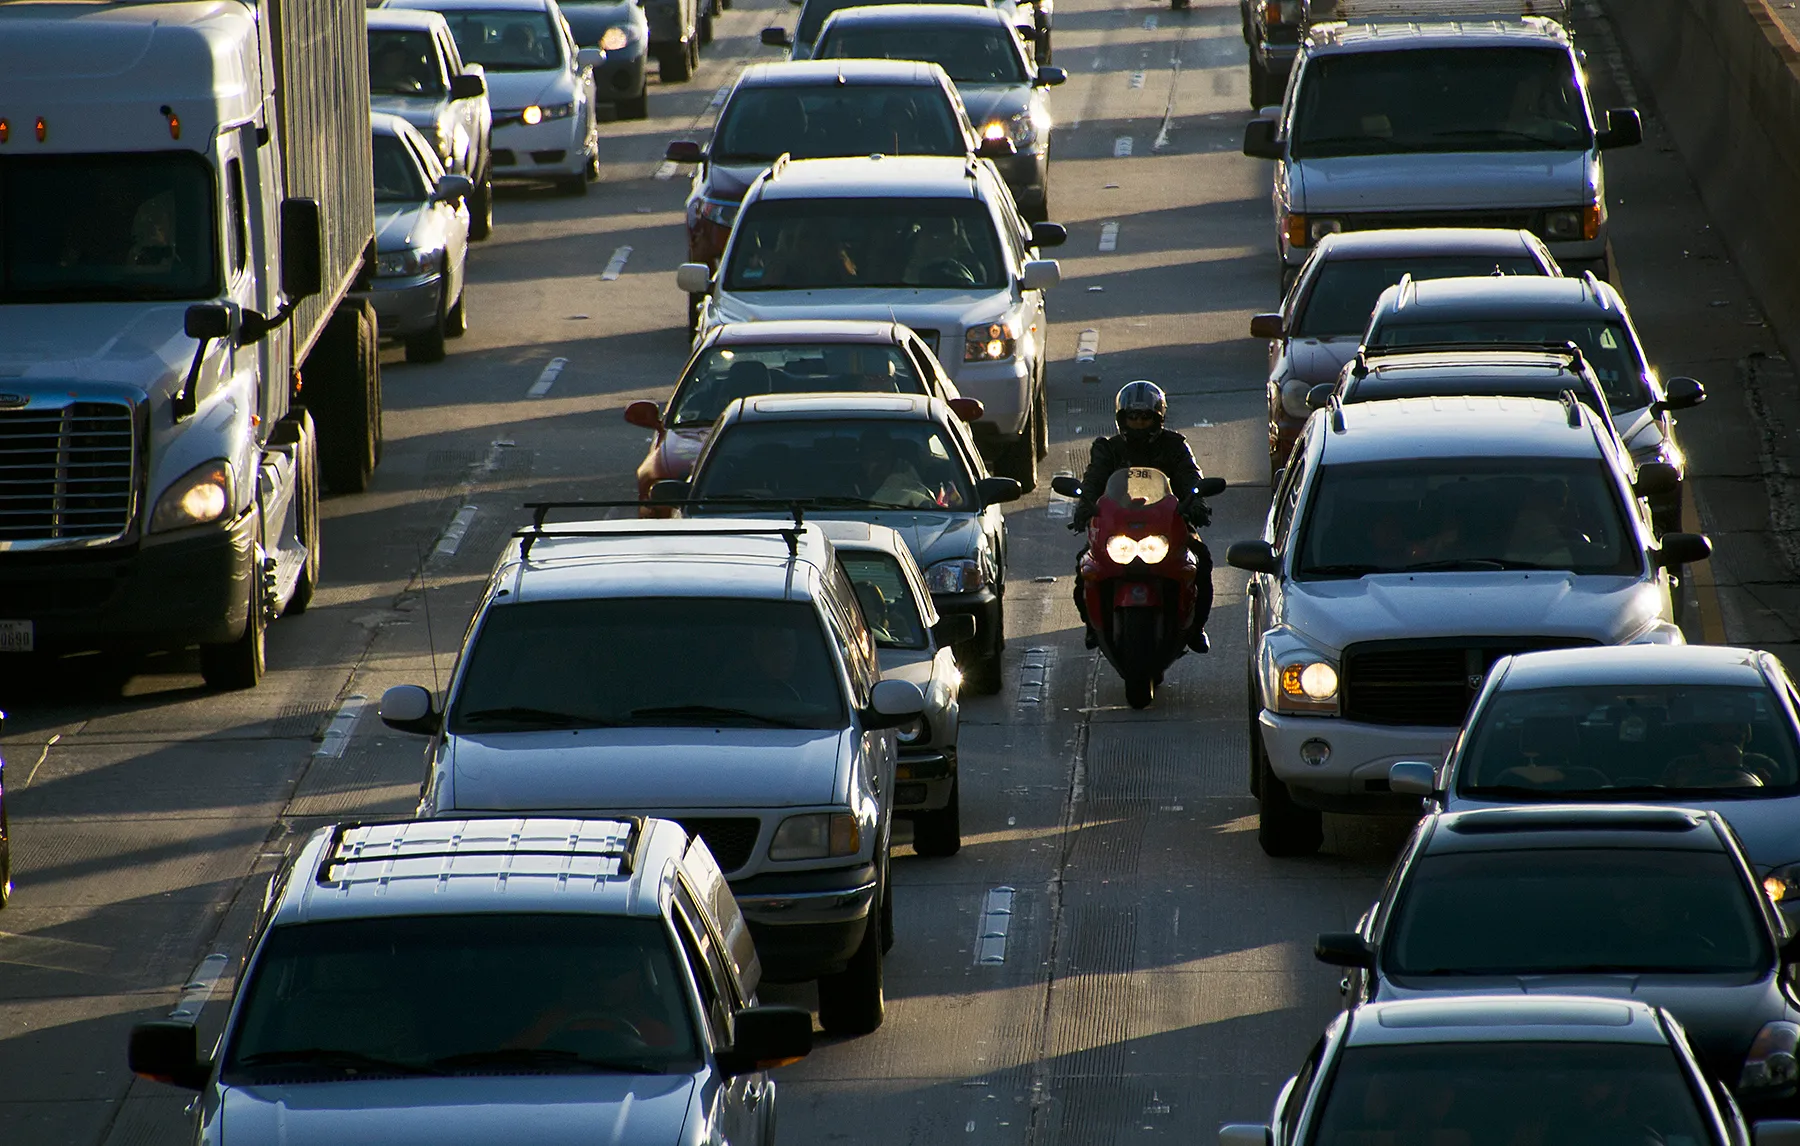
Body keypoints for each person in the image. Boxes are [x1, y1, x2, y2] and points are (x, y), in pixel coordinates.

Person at [1070, 380, 1215, 652]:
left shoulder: (1175, 445)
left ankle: (1196, 628)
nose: (1138, 423)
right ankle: (1093, 627)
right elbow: (1093, 479)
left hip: (1168, 525)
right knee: (1084, 566)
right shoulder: (1107, 448)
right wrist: (1084, 506)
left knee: (1202, 560)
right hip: (1117, 528)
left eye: (1145, 417)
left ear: (1158, 418)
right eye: (1132, 417)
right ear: (1121, 419)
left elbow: (1190, 477)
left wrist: (1196, 502)